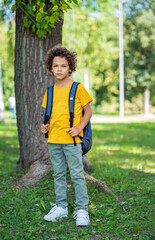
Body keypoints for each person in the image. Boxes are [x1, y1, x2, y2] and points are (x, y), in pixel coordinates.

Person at [41, 45, 93, 226]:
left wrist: (79, 128)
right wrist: (45, 127)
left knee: (77, 175)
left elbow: (88, 112)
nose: (59, 69)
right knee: (59, 174)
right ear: (51, 68)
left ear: (70, 67)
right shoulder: (50, 91)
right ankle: (61, 207)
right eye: (56, 66)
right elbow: (50, 115)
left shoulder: (77, 88)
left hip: (72, 141)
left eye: (63, 66)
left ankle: (82, 210)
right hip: (54, 140)